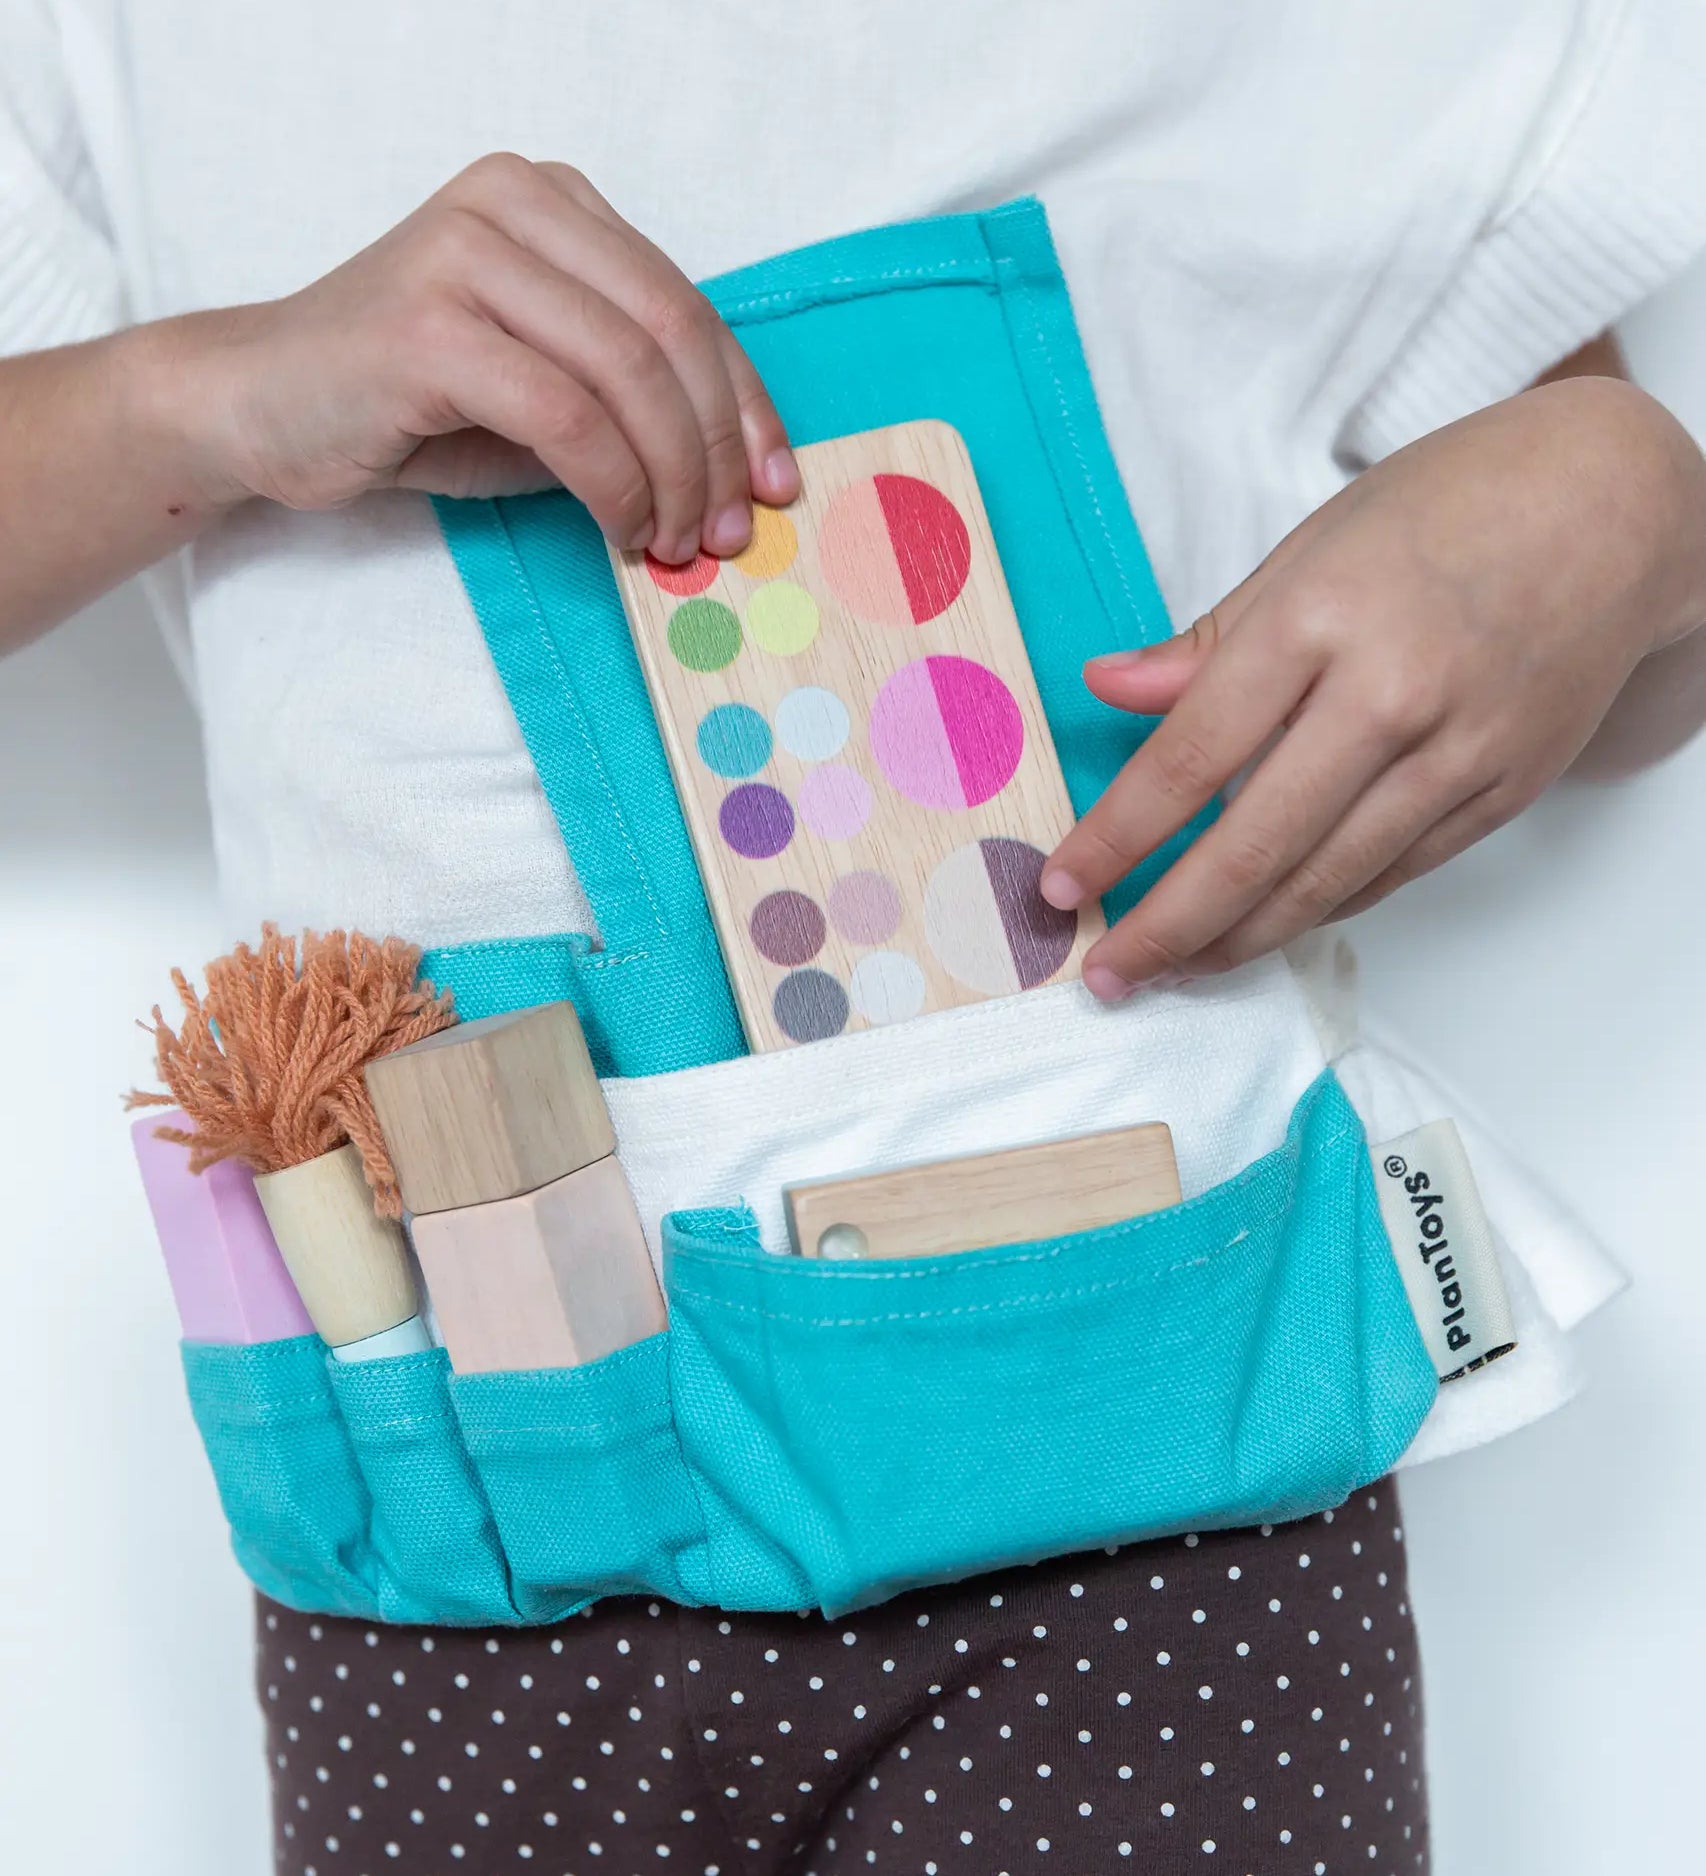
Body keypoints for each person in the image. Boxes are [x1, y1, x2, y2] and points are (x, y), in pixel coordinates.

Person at [3, 3, 1704, 1870]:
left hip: (1156, 1497)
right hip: (468, 1539)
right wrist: (205, 394)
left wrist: (1634, 511)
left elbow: (1606, 662)